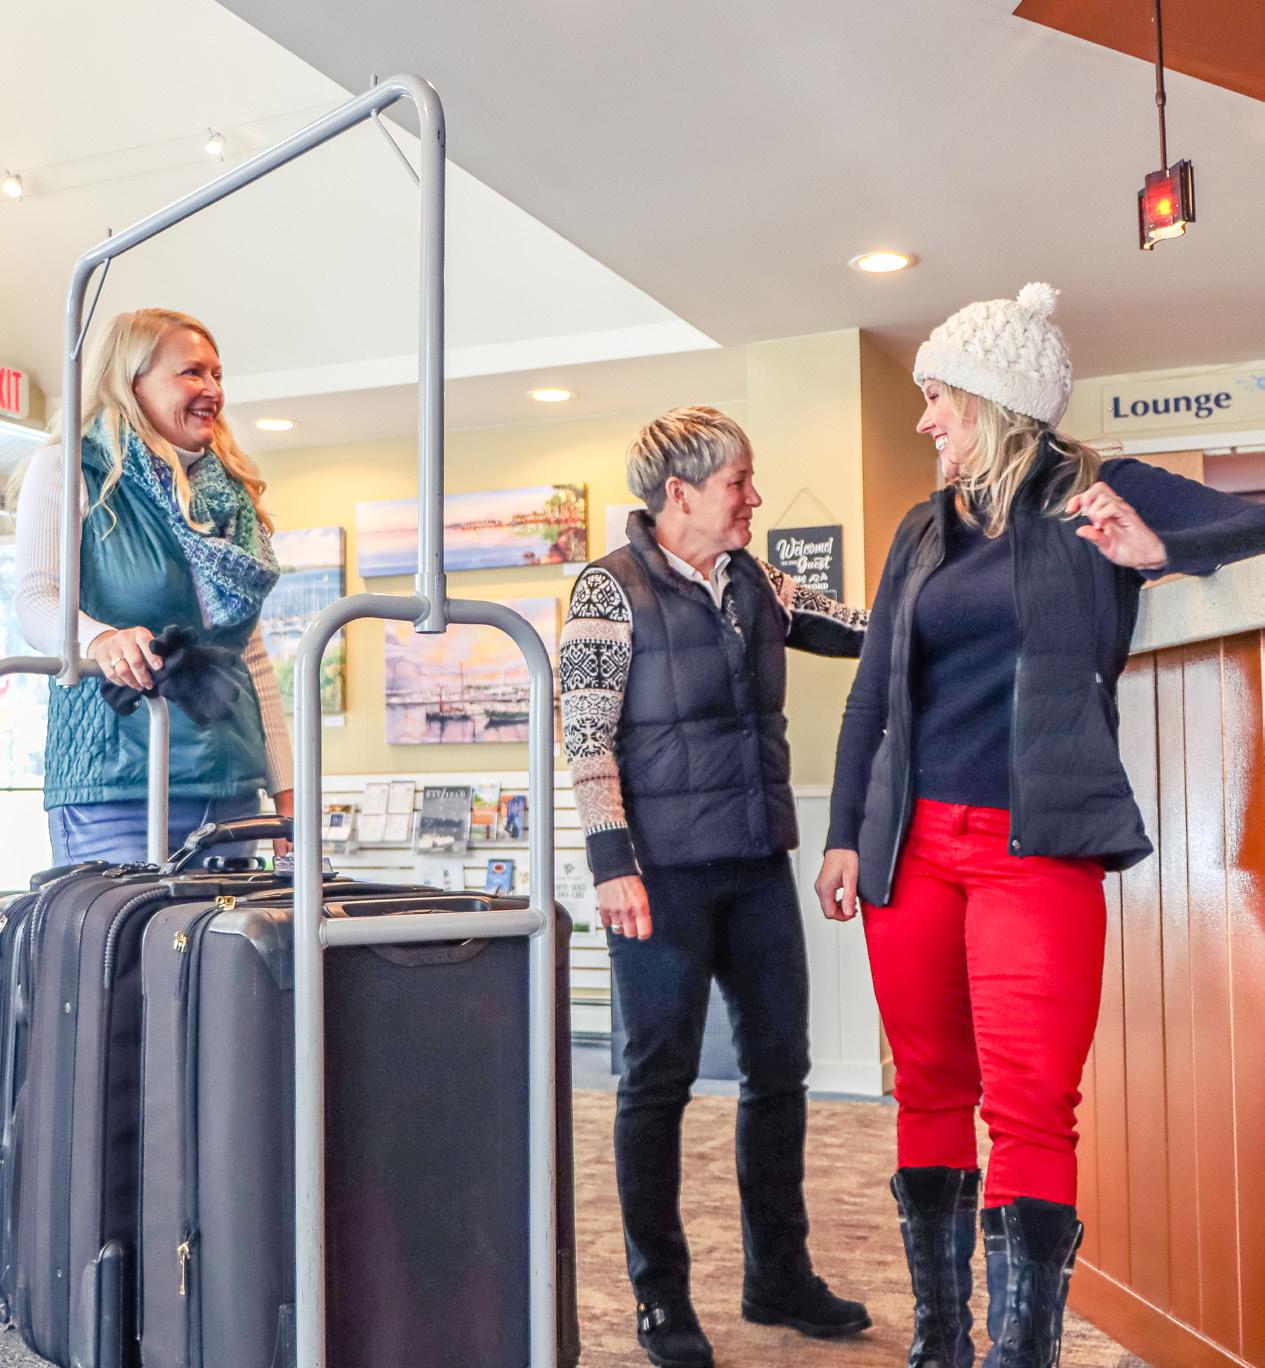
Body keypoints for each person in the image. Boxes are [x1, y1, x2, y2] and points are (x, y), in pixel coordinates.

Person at [815, 283, 1265, 1368]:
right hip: (908, 848)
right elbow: (873, 694)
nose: (923, 420)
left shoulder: (1102, 491)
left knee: (1029, 1109)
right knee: (928, 1090)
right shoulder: (921, 527)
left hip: (1037, 848)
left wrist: (1159, 552)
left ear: (994, 398)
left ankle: (1021, 1354)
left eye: (938, 398)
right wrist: (842, 833)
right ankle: (940, 1341)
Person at [560, 406, 871, 1368]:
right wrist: (611, 864)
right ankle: (660, 1298)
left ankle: (777, 1275)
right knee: (656, 1082)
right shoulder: (607, 590)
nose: (753, 498)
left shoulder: (755, 581)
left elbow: (863, 630)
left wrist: (947, 596)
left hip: (756, 865)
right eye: (738, 482)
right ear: (680, 493)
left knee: (779, 1071)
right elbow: (585, 737)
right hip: (659, 880)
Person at [13, 307, 293, 866]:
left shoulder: (228, 498)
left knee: (222, 929)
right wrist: (100, 640)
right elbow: (37, 601)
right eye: (192, 372)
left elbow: (249, 656)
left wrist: (287, 792)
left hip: (229, 784)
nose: (213, 390)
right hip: (112, 786)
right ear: (132, 382)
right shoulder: (70, 469)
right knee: (124, 926)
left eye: (217, 375)